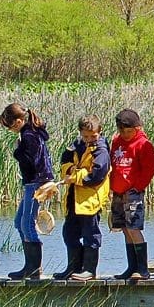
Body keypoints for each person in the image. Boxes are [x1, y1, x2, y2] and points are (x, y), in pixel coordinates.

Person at [52, 115, 111, 282]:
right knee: (69, 233)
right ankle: (73, 267)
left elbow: (97, 175)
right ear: (80, 133)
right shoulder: (77, 145)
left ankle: (89, 270)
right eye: (86, 136)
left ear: (100, 132)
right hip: (74, 198)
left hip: (90, 200)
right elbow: (64, 160)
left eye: (93, 136)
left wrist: (76, 176)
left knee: (90, 234)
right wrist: (69, 171)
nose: (89, 140)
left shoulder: (101, 150)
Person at [0, 103, 53, 281]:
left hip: (35, 183)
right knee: (19, 222)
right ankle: (28, 266)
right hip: (33, 182)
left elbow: (31, 159)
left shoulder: (29, 135)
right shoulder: (31, 132)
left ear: (19, 121)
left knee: (27, 223)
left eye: (10, 126)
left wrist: (17, 151)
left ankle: (34, 268)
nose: (10, 130)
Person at [109, 108, 154, 281]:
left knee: (133, 228)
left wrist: (138, 186)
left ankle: (143, 269)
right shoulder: (116, 142)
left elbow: (149, 169)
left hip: (133, 191)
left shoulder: (143, 144)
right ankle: (132, 266)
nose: (126, 134)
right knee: (123, 228)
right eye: (122, 131)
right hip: (118, 190)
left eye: (129, 131)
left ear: (137, 128)